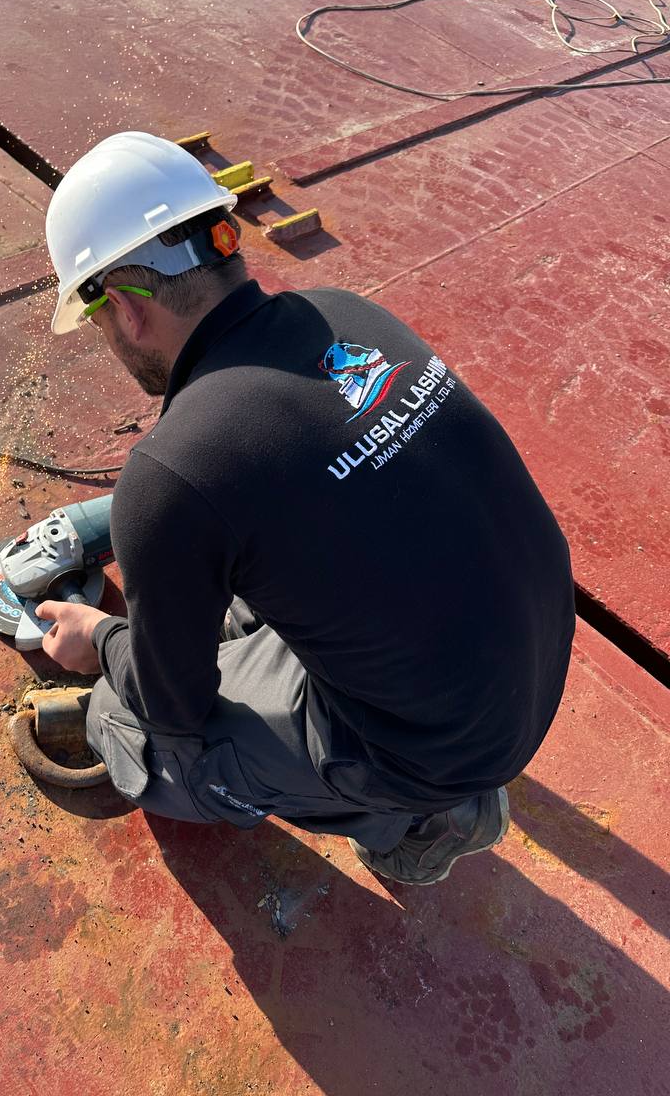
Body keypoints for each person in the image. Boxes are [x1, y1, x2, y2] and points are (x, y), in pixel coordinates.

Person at [34, 131, 575, 885]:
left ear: (123, 309)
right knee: (251, 584)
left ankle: (423, 819)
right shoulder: (344, 312)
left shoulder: (173, 471)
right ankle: (439, 775)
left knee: (124, 725)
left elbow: (172, 707)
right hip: (533, 666)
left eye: (96, 322)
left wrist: (100, 639)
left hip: (442, 748)